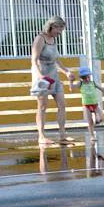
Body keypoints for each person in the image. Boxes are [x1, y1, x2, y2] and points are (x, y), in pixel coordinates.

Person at [30, 16, 76, 146]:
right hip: (41, 76)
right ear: (51, 26)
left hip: (54, 76)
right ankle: (41, 136)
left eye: (61, 29)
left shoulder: (53, 39)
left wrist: (66, 72)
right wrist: (40, 76)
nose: (60, 32)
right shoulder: (40, 38)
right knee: (42, 107)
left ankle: (63, 135)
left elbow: (56, 60)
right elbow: (34, 60)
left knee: (62, 105)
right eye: (59, 28)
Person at [70, 67, 104, 142]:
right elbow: (71, 89)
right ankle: (92, 136)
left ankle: (96, 118)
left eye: (88, 77)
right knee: (90, 122)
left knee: (101, 118)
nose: (87, 79)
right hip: (86, 105)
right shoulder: (80, 83)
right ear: (81, 78)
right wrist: (71, 82)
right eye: (84, 78)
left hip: (95, 104)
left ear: (89, 76)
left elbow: (103, 89)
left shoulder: (93, 83)